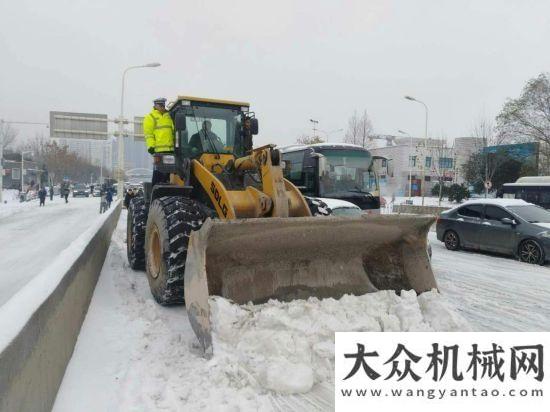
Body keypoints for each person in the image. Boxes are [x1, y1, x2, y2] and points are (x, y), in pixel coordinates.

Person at [144, 97, 175, 185]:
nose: (162, 107)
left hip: (170, 150)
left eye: (163, 105)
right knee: (159, 172)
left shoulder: (169, 116)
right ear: (155, 105)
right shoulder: (150, 117)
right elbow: (149, 134)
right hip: (159, 150)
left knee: (168, 173)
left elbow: (173, 131)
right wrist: (151, 147)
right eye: (160, 105)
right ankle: (156, 188)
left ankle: (166, 187)